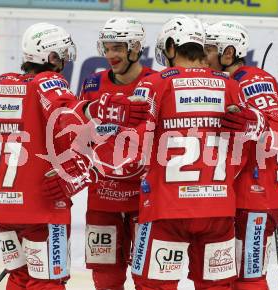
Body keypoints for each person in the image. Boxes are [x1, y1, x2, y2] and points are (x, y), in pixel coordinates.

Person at [0, 22, 149, 290]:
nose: (64, 64)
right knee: (47, 282)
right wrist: (105, 108)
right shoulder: (48, 82)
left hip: (1, 206)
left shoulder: (0, 85)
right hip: (41, 206)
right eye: (61, 56)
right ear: (52, 57)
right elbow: (66, 114)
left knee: (19, 278)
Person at [127, 15, 267, 290]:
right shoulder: (230, 85)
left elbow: (131, 146)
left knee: (153, 286)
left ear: (170, 47)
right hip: (218, 211)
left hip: (165, 211)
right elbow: (256, 135)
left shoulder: (155, 84)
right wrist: (254, 122)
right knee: (216, 287)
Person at [204, 21, 278, 290]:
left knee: (248, 278)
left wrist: (257, 124)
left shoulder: (253, 80)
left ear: (228, 54)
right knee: (228, 275)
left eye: (208, 50)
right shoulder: (222, 82)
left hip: (256, 197)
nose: (202, 56)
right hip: (240, 196)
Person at [78, 16, 156, 290]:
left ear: (135, 48)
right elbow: (78, 131)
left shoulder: (157, 83)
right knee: (105, 277)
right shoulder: (92, 84)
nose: (111, 55)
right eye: (107, 48)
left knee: (148, 277)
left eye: (118, 48)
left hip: (144, 198)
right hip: (102, 196)